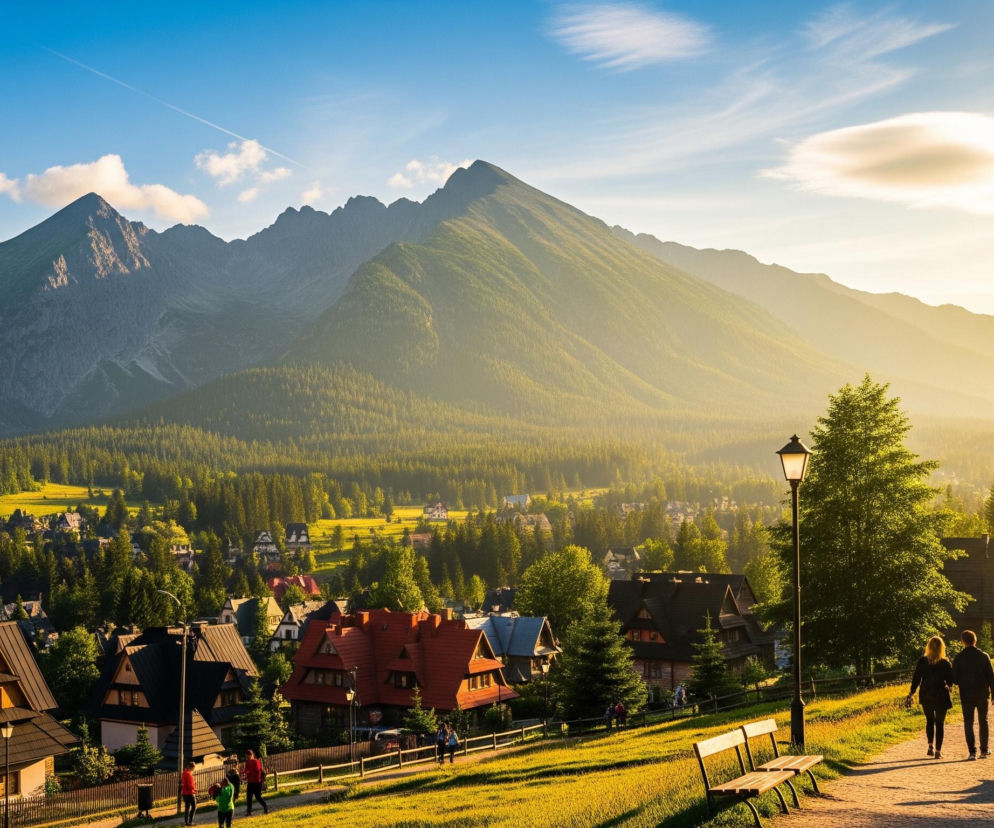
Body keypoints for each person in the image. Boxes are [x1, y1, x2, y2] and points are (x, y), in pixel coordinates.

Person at [907, 636, 953, 758]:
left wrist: (911, 693)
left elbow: (916, 678)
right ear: (942, 648)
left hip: (926, 694)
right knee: (940, 723)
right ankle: (938, 751)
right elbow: (950, 680)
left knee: (929, 721)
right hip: (941, 695)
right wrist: (949, 685)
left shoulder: (923, 661)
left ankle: (930, 746)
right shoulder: (945, 662)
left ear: (929, 647)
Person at [952, 629, 994, 759]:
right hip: (982, 694)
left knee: (968, 722)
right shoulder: (984, 656)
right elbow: (991, 677)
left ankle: (972, 752)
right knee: (983, 721)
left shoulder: (958, 658)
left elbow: (954, 679)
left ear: (963, 642)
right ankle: (984, 750)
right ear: (975, 640)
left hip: (966, 695)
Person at [243, 749, 269, 815]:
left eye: (248, 756)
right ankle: (249, 812)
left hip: (257, 782)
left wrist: (248, 772)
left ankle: (265, 806)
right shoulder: (247, 762)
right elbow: (246, 770)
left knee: (258, 797)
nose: (247, 758)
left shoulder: (256, 761)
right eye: (246, 756)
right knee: (249, 797)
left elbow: (257, 771)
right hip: (250, 782)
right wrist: (243, 774)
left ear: (252, 755)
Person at [181, 761, 197, 826]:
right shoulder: (189, 774)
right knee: (194, 807)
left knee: (187, 807)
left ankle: (186, 822)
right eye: (193, 768)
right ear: (191, 767)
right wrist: (195, 789)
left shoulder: (184, 773)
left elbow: (183, 783)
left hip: (184, 793)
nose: (193, 769)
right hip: (190, 793)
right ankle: (190, 821)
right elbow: (190, 785)